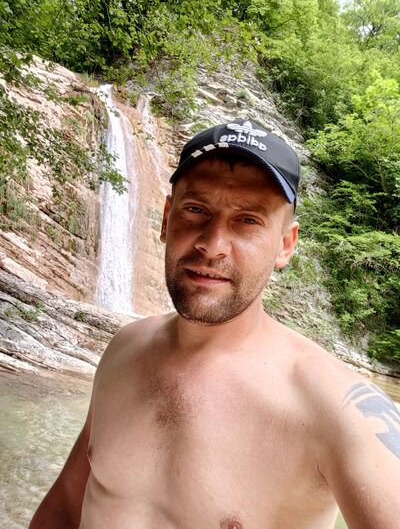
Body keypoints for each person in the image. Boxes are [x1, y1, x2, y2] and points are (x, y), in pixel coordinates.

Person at [30, 119, 400, 529]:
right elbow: (67, 504)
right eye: (195, 210)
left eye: (248, 220)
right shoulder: (124, 349)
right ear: (166, 219)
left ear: (285, 245)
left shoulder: (337, 408)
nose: (212, 244)